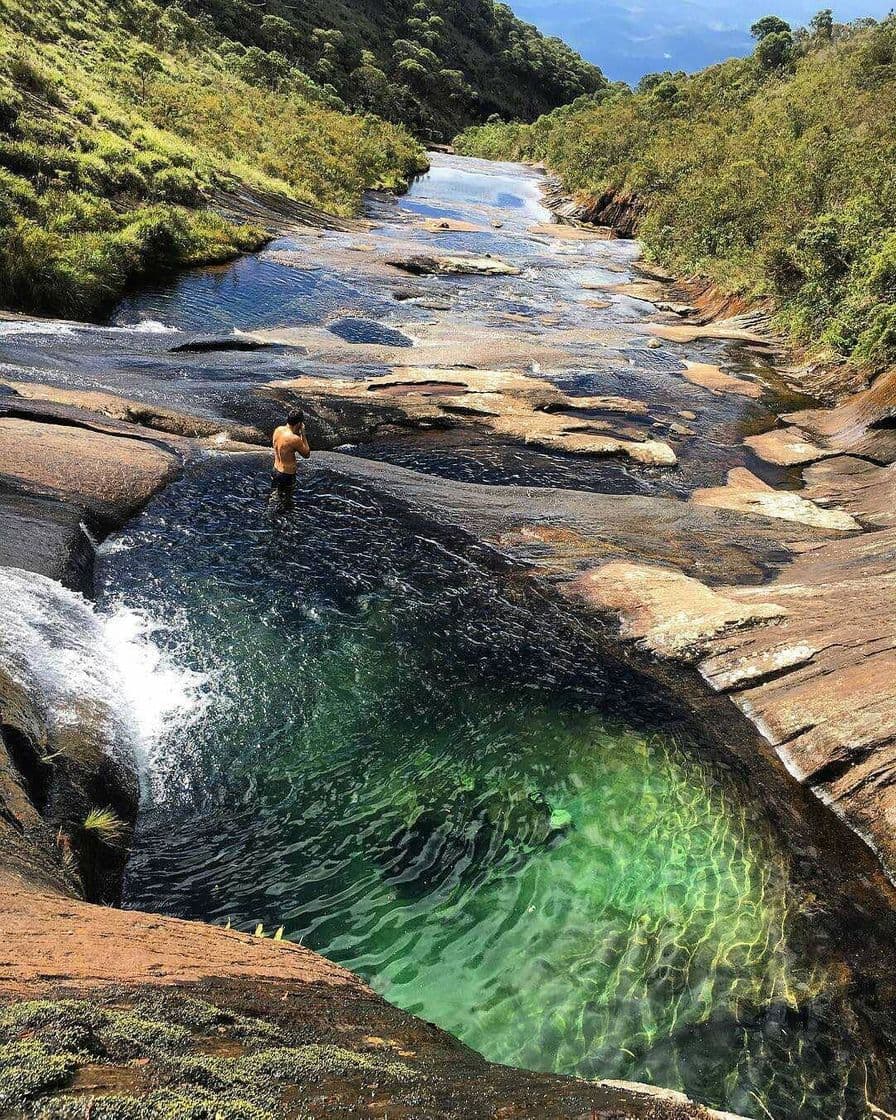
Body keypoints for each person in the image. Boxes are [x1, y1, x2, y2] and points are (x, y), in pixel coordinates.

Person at [271, 409, 310, 499]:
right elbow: (307, 454)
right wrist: (303, 434)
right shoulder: (294, 439)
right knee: (287, 501)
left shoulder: (278, 430)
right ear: (299, 424)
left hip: (275, 470)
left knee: (274, 496)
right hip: (286, 475)